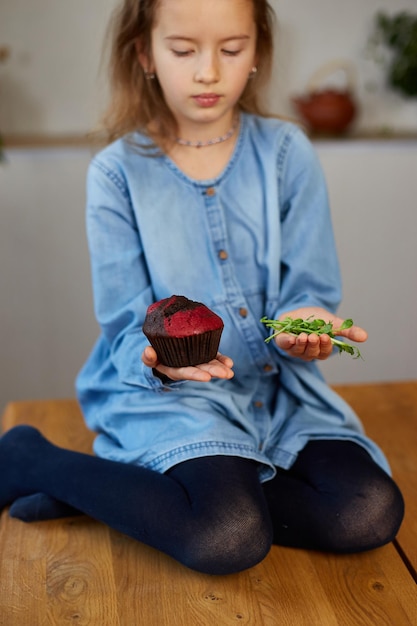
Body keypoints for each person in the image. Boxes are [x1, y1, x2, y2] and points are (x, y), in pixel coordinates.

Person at [0, 0, 404, 575]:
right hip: (174, 401)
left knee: (368, 511)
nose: (208, 71)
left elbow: (310, 286)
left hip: (280, 395)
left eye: (231, 49)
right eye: (184, 50)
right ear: (144, 53)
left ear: (257, 52)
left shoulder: (289, 154)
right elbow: (123, 327)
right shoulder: (115, 175)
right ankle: (31, 458)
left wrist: (306, 324)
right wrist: (160, 359)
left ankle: (129, 494)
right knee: (227, 535)